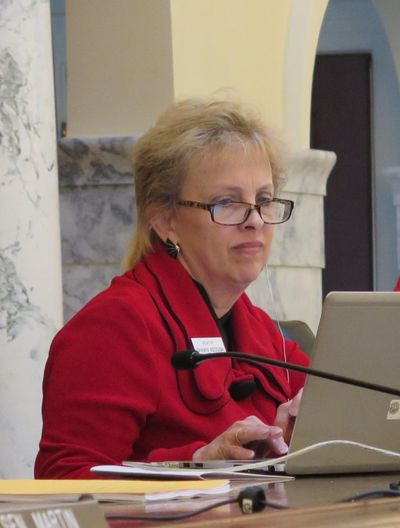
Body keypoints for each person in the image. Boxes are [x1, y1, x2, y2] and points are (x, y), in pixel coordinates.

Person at [35, 98, 309, 479]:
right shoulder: (114, 327)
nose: (255, 221)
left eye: (264, 200)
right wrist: (196, 461)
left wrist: (306, 434)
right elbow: (64, 481)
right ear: (165, 221)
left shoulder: (264, 333)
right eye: (226, 202)